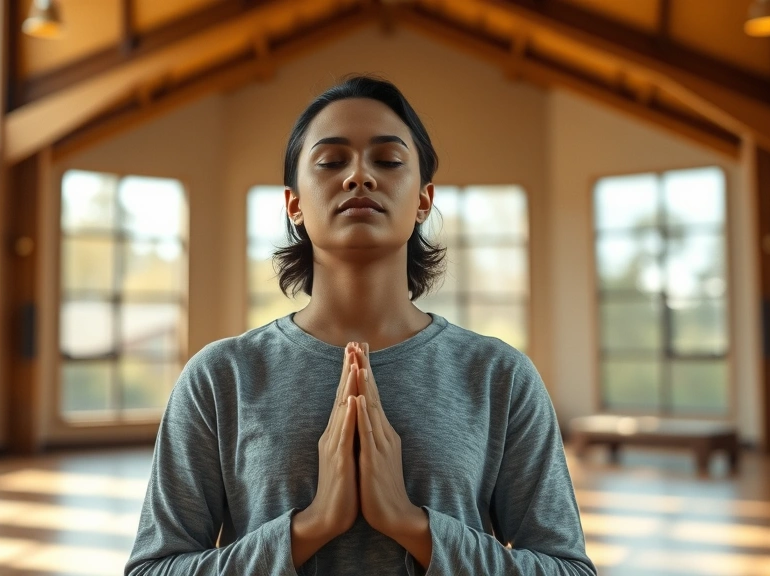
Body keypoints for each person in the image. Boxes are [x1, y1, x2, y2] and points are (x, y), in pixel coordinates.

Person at [125, 75, 596, 575]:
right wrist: (310, 527)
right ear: (295, 205)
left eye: (388, 161)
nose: (359, 177)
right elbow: (153, 568)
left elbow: (567, 568)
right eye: (330, 162)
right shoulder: (221, 377)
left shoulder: (498, 375)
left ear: (423, 199)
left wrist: (413, 525)